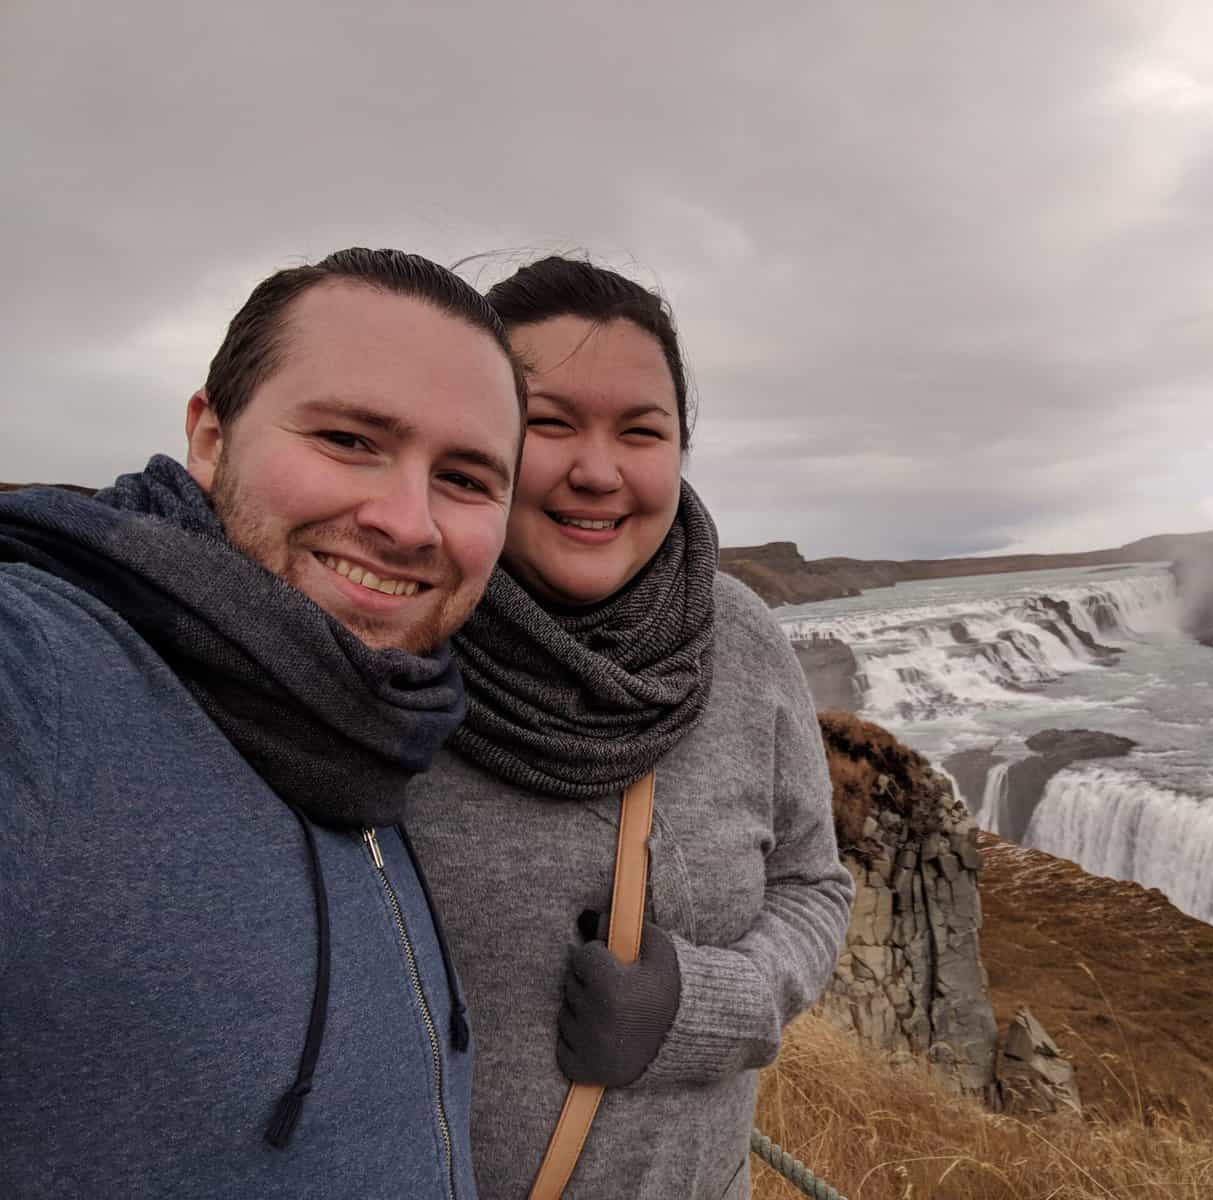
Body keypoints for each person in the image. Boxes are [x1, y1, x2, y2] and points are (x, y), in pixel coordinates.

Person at [0, 248, 528, 1199]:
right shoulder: (41, 674)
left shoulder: (373, 720)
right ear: (209, 436)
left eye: (464, 477)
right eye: (350, 440)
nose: (409, 523)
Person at [406, 256, 854, 1199]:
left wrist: (696, 1007)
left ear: (678, 451)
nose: (597, 471)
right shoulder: (393, 636)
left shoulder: (743, 642)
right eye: (550, 423)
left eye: (639, 432)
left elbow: (814, 887)